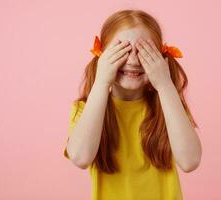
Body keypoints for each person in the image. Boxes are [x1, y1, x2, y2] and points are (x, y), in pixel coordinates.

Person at [63, 9, 202, 200]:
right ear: (102, 56)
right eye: (123, 51)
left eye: (145, 52)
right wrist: (102, 81)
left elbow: (190, 161)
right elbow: (80, 158)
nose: (134, 60)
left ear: (161, 58)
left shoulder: (168, 108)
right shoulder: (86, 110)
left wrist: (164, 84)